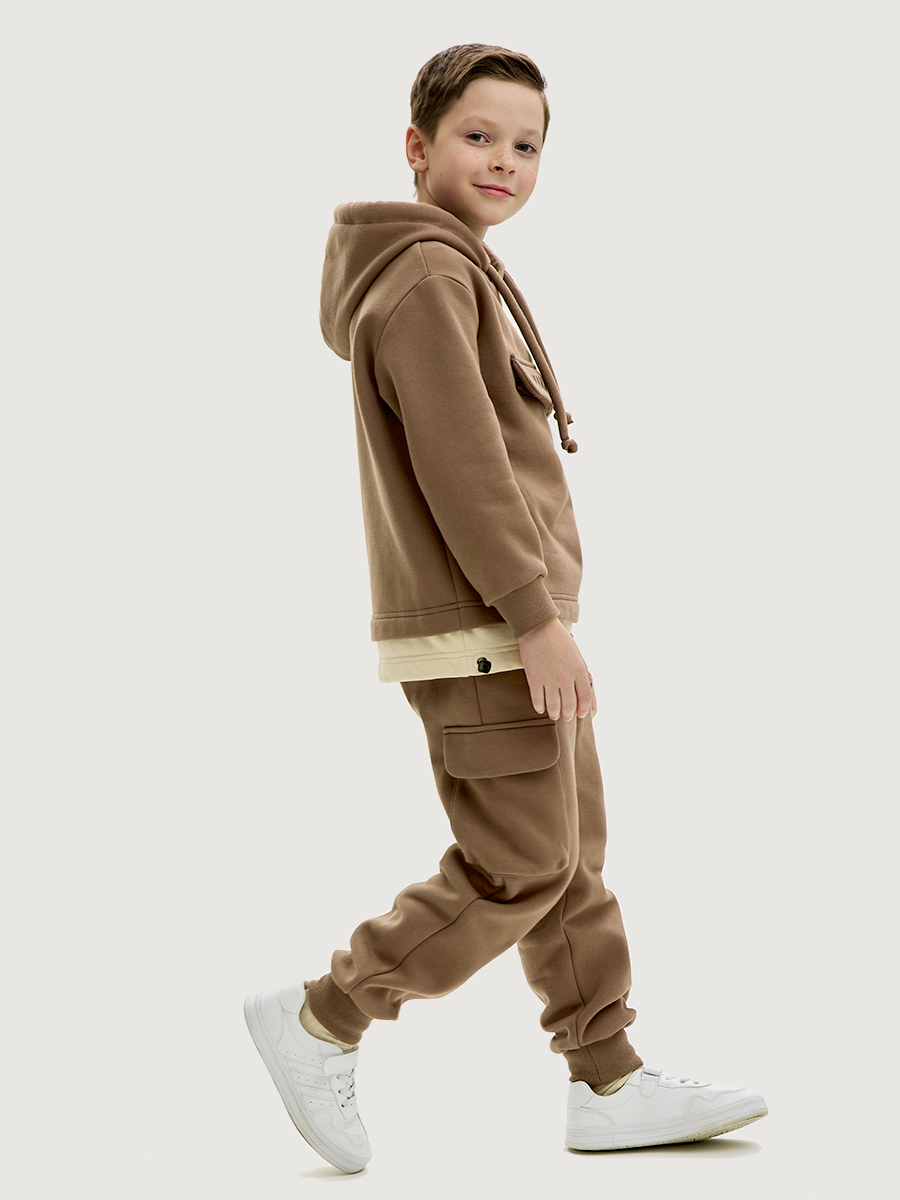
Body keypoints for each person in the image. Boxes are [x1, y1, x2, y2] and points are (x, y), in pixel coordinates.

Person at [243, 43, 767, 1174]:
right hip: (491, 629)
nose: (505, 161)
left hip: (509, 623)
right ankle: (328, 1012)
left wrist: (539, 616)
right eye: (477, 136)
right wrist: (535, 619)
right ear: (417, 146)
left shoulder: (451, 269)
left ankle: (608, 1078)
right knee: (520, 862)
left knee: (568, 854)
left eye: (526, 144)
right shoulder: (429, 278)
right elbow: (465, 469)